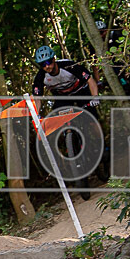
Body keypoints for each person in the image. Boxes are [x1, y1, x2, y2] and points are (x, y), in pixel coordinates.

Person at [31, 45, 101, 199]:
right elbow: (37, 98)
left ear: (54, 59)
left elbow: (90, 80)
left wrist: (95, 97)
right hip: (63, 98)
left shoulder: (68, 66)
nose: (47, 66)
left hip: (80, 91)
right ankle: (70, 140)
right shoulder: (40, 76)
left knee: (91, 120)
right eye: (43, 64)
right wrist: (36, 114)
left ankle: (99, 141)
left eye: (48, 62)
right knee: (58, 119)